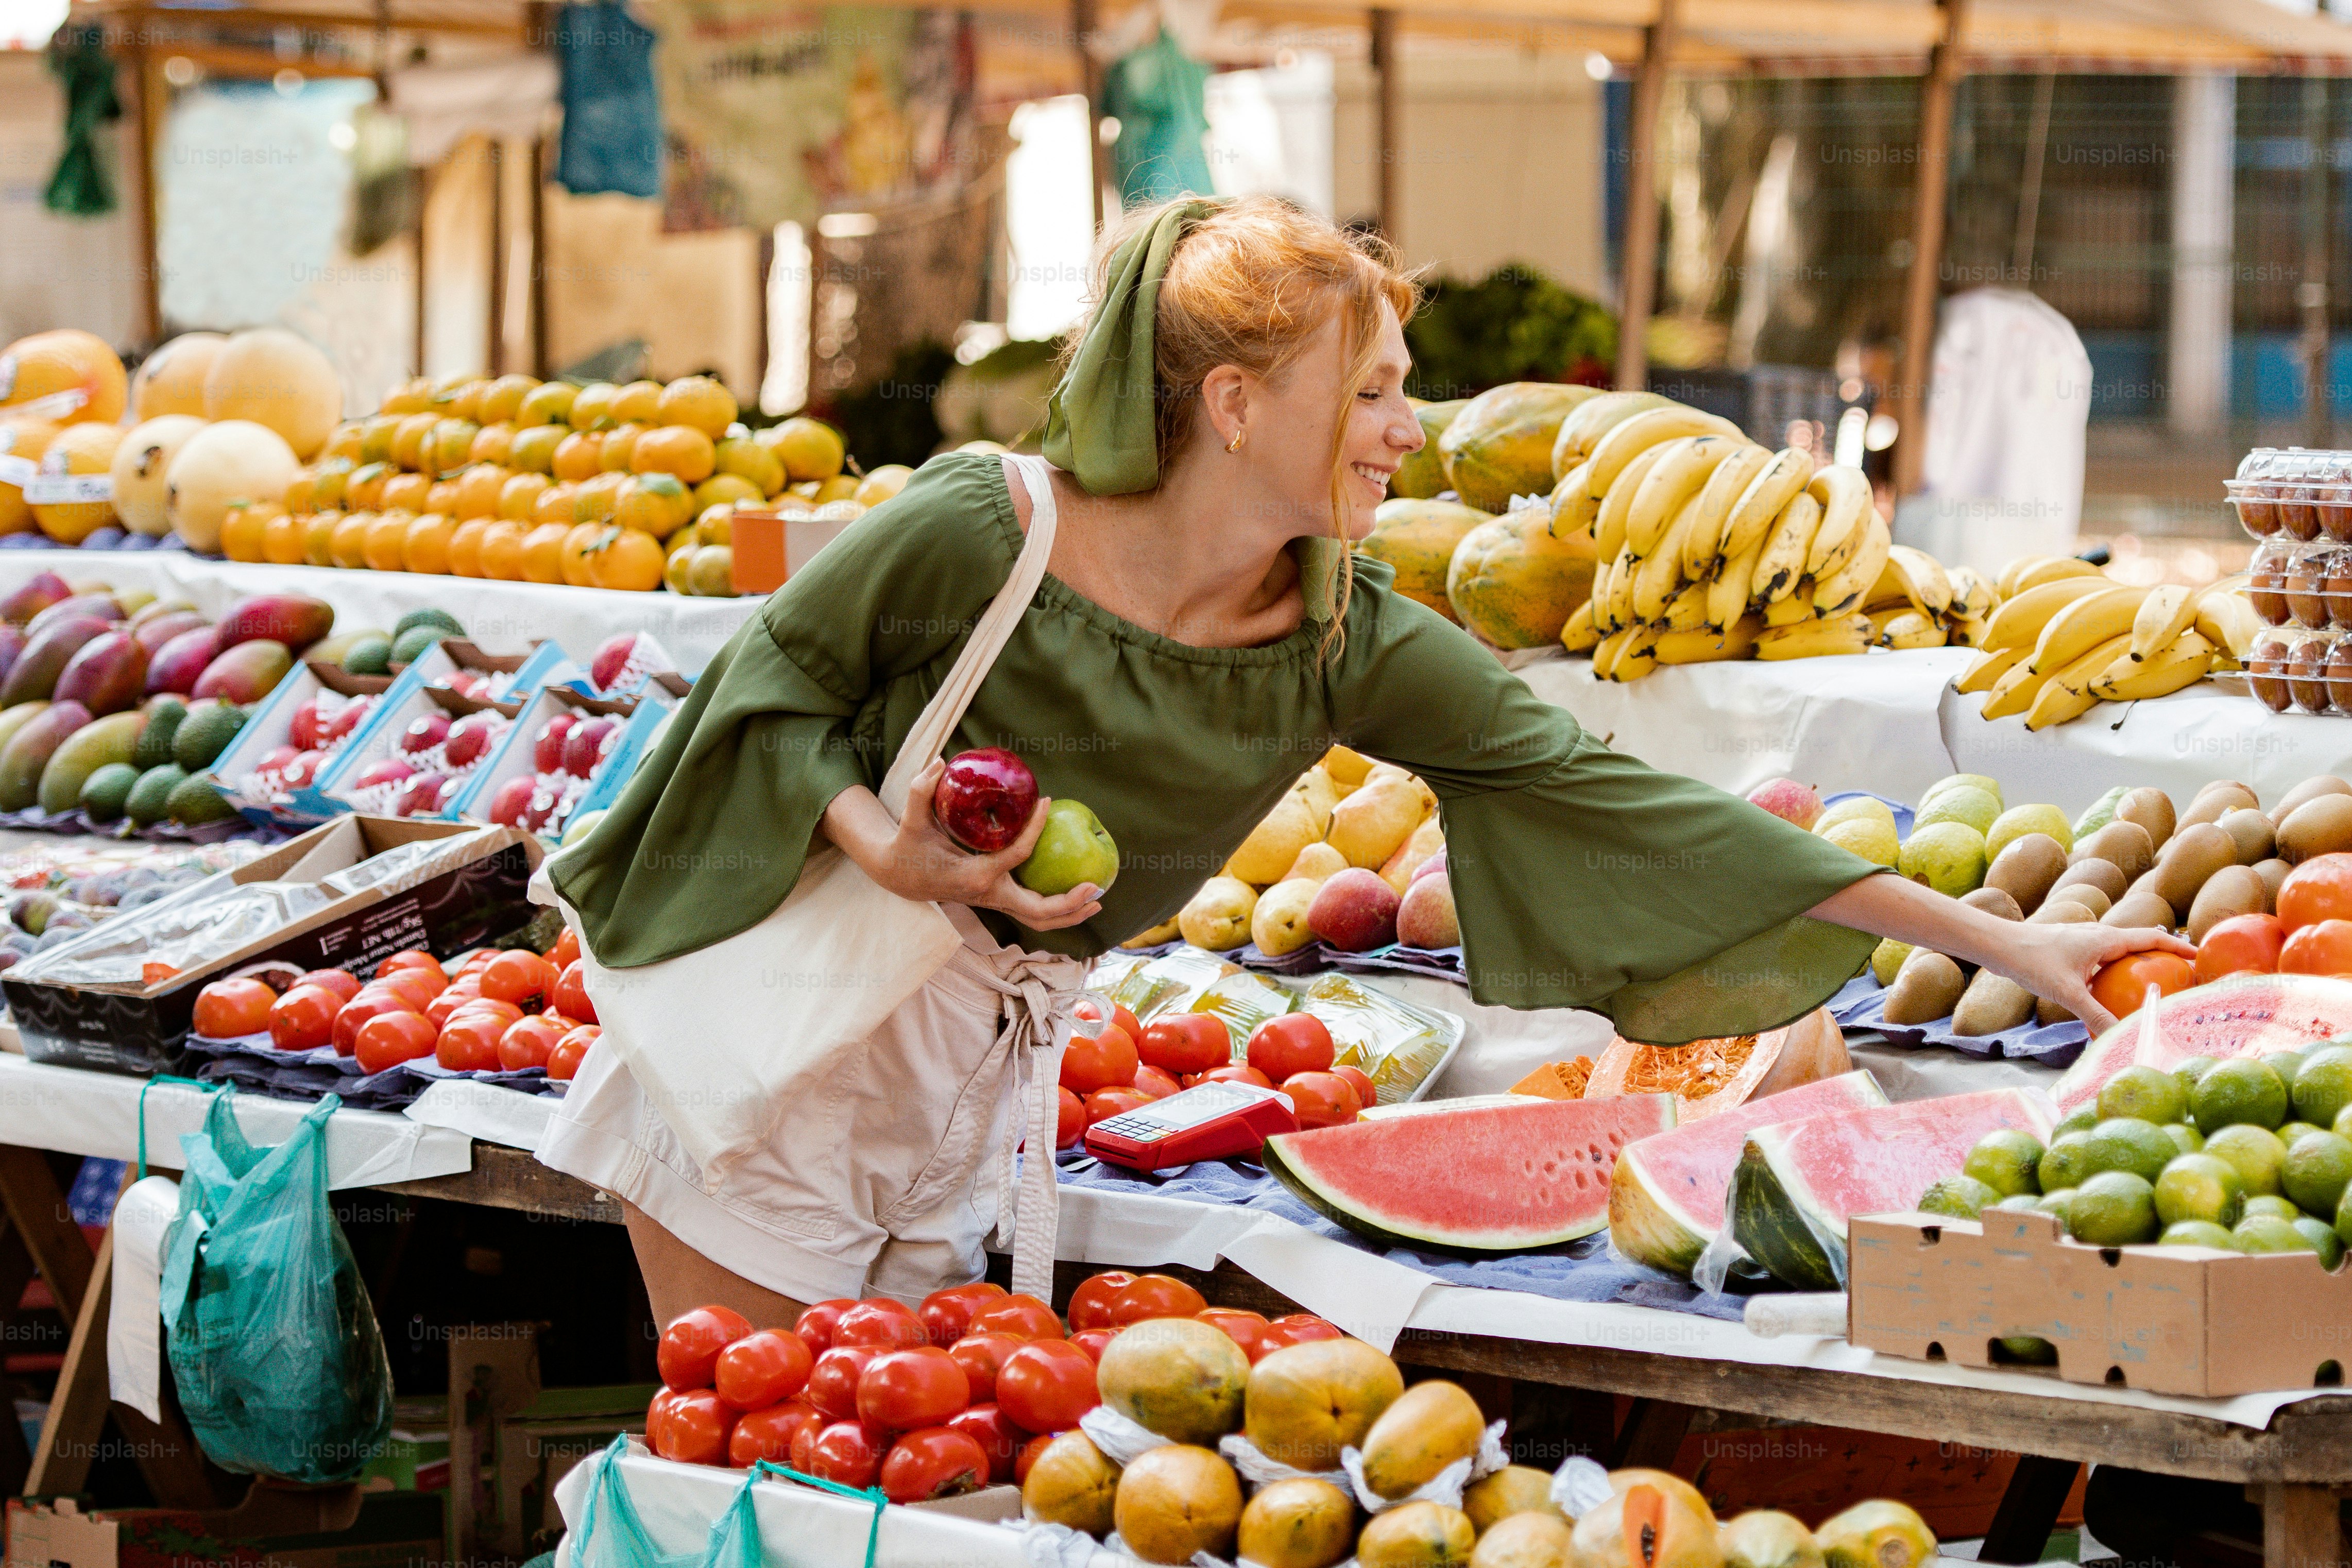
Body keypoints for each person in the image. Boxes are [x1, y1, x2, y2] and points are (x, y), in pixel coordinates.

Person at [533, 194, 2188, 1328]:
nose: (1413, 427)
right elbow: (768, 688)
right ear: (1236, 405)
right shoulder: (988, 526)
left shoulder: (1341, 632)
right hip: (798, 1049)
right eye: (1376, 390)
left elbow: (1616, 799)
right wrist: (890, 846)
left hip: (986, 1086)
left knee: (886, 1503)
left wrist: (2001, 941)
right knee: (750, 1481)